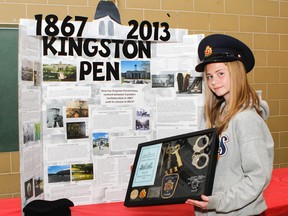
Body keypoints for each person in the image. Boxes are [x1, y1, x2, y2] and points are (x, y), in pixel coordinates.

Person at [185, 34, 274, 215]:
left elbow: (257, 177)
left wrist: (219, 202)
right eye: (209, 76)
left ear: (236, 73)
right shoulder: (212, 115)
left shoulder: (246, 119)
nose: (213, 81)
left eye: (220, 74)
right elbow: (202, 162)